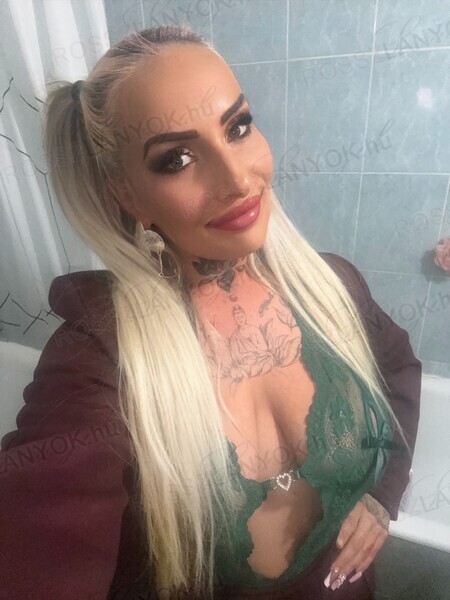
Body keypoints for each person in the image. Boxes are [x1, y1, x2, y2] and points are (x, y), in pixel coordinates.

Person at [0, 25, 421, 600]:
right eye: (176, 158)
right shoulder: (101, 359)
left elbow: (399, 371)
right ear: (126, 195)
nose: (237, 178)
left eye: (238, 127)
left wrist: (383, 495)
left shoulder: (332, 286)